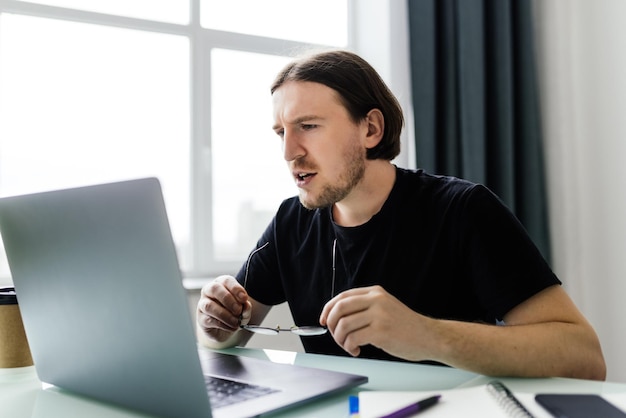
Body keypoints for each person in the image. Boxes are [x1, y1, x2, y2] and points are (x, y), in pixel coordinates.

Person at [196, 49, 606, 380]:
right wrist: (215, 323)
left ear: (370, 129)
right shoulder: (291, 221)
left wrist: (426, 335)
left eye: (308, 126)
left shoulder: (463, 210)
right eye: (281, 132)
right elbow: (227, 335)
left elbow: (583, 356)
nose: (289, 152)